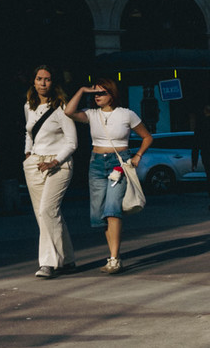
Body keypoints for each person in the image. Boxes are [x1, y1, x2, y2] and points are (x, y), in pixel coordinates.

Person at [64, 77, 151, 273]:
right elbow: (68, 111)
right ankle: (113, 256)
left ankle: (114, 258)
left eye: (102, 93)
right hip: (96, 164)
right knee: (101, 213)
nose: (97, 97)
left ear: (112, 95)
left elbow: (147, 137)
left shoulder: (126, 114)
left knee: (112, 209)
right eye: (95, 94)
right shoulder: (91, 114)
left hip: (117, 163)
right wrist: (82, 90)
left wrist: (137, 155)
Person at [22, 65, 77, 278]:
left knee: (47, 210)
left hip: (59, 164)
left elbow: (72, 142)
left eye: (47, 79)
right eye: (39, 79)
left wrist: (55, 161)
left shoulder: (62, 107)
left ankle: (48, 263)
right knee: (45, 214)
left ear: (54, 83)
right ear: (33, 81)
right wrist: (28, 153)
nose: (43, 83)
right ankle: (68, 259)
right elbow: (29, 133)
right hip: (35, 163)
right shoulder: (29, 106)